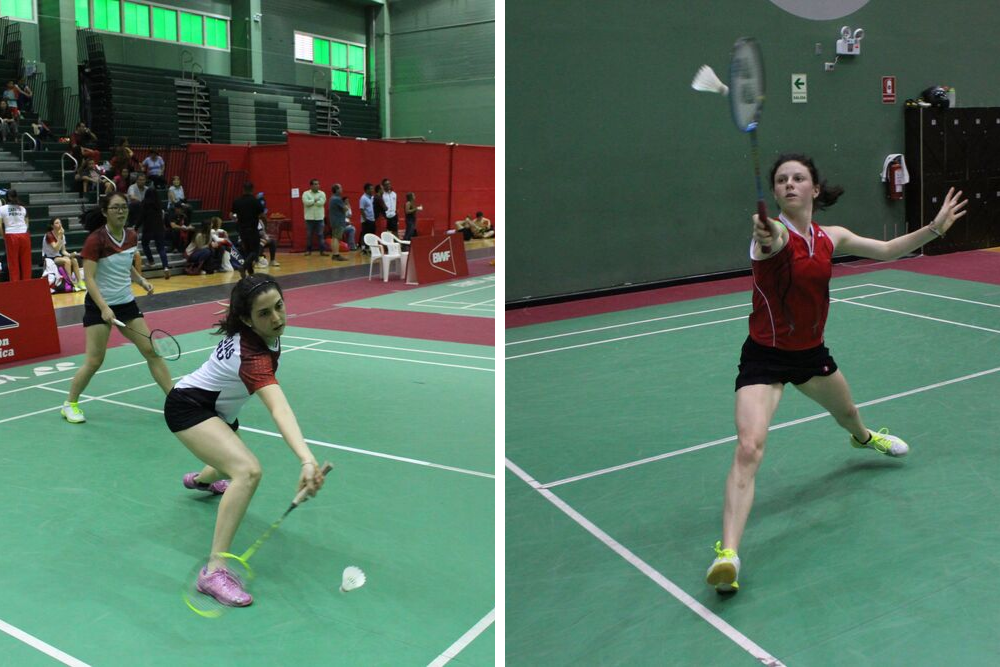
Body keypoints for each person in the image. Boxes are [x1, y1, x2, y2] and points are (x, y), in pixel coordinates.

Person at [704, 153, 968, 594]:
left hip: (810, 355)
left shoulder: (831, 236)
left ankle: (863, 438)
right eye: (782, 180)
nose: (790, 184)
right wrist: (764, 232)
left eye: (798, 178)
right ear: (775, 193)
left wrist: (935, 229)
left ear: (814, 188)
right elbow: (769, 240)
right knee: (749, 447)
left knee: (847, 415)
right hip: (764, 358)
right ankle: (728, 555)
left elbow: (886, 250)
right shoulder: (773, 236)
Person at [164, 274, 328, 607]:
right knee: (247, 471)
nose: (277, 318)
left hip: (219, 411)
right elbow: (279, 408)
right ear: (247, 319)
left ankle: (200, 481)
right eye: (265, 313)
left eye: (279, 306)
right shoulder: (252, 355)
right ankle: (213, 572)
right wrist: (306, 459)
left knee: (227, 461)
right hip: (189, 408)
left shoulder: (262, 333)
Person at [61, 193, 173, 424]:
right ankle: (69, 404)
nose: (121, 211)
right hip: (99, 306)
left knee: (151, 350)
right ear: (105, 212)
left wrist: (140, 280)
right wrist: (104, 308)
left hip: (126, 304)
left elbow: (126, 264)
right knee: (94, 360)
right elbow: (89, 278)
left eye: (124, 207)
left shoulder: (131, 235)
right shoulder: (95, 240)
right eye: (115, 208)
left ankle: (174, 400)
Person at [232, 182, 266, 278]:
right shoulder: (256, 201)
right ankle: (243, 267)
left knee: (247, 251)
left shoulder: (237, 201)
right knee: (255, 251)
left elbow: (232, 215)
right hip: (252, 230)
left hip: (242, 230)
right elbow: (262, 215)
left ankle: (251, 273)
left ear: (243, 189)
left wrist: (237, 219)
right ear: (252, 189)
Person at [42, 218, 84, 290]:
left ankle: (79, 282)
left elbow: (63, 251)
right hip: (50, 258)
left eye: (60, 223)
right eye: (57, 223)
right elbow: (56, 248)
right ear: (52, 226)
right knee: (67, 261)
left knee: (74, 260)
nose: (59, 224)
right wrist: (59, 237)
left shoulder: (62, 235)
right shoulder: (49, 235)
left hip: (58, 256)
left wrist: (71, 255)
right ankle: (71, 282)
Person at [139, 187, 170, 280]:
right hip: (159, 228)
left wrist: (136, 227)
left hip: (148, 228)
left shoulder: (144, 203)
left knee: (145, 244)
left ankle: (151, 261)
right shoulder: (159, 203)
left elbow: (141, 216)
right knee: (161, 248)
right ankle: (166, 267)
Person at [0, 190, 31, 280]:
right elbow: (27, 223)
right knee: (26, 262)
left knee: (13, 262)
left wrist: (3, 236)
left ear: (7, 197)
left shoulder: (2, 209)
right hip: (24, 235)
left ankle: (15, 284)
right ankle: (27, 284)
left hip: (11, 235)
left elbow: (0, 225)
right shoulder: (22, 208)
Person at [301, 178, 327, 256]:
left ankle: (322, 251)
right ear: (311, 186)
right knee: (309, 235)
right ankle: (308, 250)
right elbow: (306, 203)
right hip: (309, 218)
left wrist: (311, 201)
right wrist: (315, 200)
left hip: (320, 218)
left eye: (318, 184)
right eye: (315, 184)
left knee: (320, 235)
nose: (317, 185)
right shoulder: (305, 193)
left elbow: (321, 203)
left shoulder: (322, 193)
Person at [328, 183, 350, 261]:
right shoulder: (337, 199)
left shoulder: (332, 198)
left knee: (334, 238)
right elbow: (345, 209)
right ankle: (336, 255)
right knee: (337, 238)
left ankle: (334, 254)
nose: (342, 189)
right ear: (337, 190)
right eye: (340, 188)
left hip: (334, 221)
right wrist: (347, 204)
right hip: (338, 221)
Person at [359, 182, 375, 253]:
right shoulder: (363, 198)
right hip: (366, 220)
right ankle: (363, 248)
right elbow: (361, 209)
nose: (372, 190)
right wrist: (365, 219)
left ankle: (369, 248)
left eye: (372, 189)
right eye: (371, 189)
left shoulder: (371, 198)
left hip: (372, 219)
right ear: (367, 190)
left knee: (371, 234)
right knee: (365, 234)